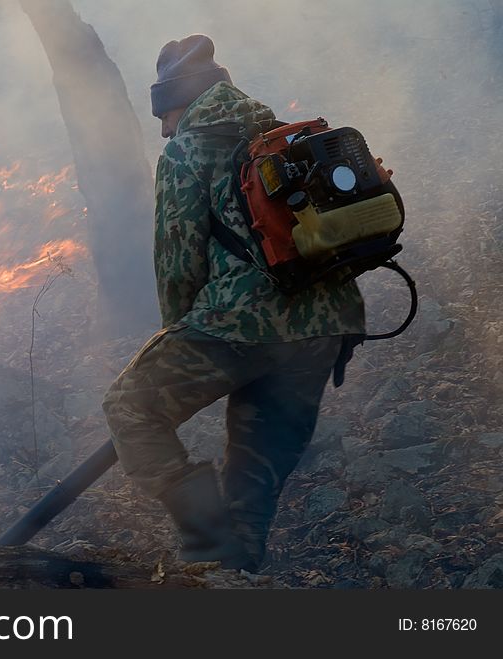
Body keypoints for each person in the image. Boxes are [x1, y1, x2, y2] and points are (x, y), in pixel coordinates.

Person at [102, 35, 366, 572]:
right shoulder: (276, 136)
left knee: (130, 407)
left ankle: (204, 543)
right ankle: (231, 578)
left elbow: (178, 263)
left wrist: (183, 335)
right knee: (253, 481)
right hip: (326, 329)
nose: (163, 128)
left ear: (184, 101)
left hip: (239, 325)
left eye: (166, 112)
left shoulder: (186, 150)